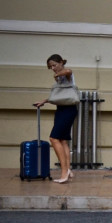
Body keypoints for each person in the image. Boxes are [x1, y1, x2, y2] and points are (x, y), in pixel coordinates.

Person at [33, 54, 77, 183]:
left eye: (54, 65)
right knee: (62, 140)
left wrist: (58, 74)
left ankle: (63, 173)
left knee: (53, 138)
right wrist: (44, 101)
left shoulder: (66, 75)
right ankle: (68, 170)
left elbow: (69, 71)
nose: (52, 68)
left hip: (68, 110)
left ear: (61, 62)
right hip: (61, 109)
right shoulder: (60, 79)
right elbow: (60, 96)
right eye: (50, 66)